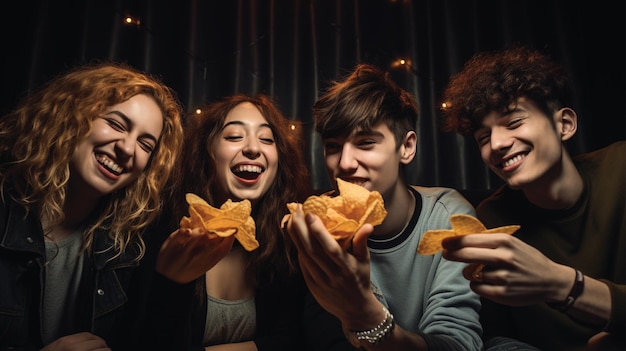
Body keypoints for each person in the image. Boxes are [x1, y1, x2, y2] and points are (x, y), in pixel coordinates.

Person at [285, 63, 483, 351]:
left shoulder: (447, 216)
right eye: (333, 147)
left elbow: (457, 343)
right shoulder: (317, 223)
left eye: (365, 143)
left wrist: (365, 312)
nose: (345, 163)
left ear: (407, 147)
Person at [439, 45, 625, 351]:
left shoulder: (621, 170)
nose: (497, 143)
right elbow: (495, 336)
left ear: (564, 124)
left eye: (513, 122)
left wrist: (559, 283)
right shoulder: (490, 220)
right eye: (483, 138)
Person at [0, 62, 184, 350]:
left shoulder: (127, 244)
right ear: (71, 116)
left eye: (145, 144)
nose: (127, 148)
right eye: (116, 124)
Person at [147, 94, 311, 350]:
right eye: (234, 136)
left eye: (267, 139)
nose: (253, 148)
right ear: (206, 152)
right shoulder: (163, 230)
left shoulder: (288, 237)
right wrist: (170, 282)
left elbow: (293, 339)